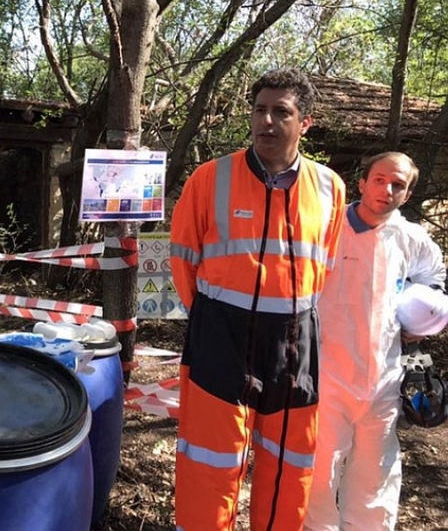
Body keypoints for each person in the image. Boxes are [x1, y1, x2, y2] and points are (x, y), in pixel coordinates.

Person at [169, 68, 346, 530]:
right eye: (259, 110)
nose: (266, 121)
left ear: (305, 122)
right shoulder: (210, 179)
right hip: (220, 332)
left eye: (281, 112)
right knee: (210, 459)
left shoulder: (330, 187)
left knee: (289, 459)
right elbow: (183, 259)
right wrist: (215, 313)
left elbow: (323, 264)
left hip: (294, 339)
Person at [304, 152, 446, 531]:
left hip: (383, 379)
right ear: (362, 182)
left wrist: (426, 314)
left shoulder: (411, 238)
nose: (387, 189)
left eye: (398, 184)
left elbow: (435, 277)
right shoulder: (327, 229)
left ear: (408, 192)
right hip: (325, 374)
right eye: (380, 180)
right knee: (317, 475)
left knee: (376, 478)